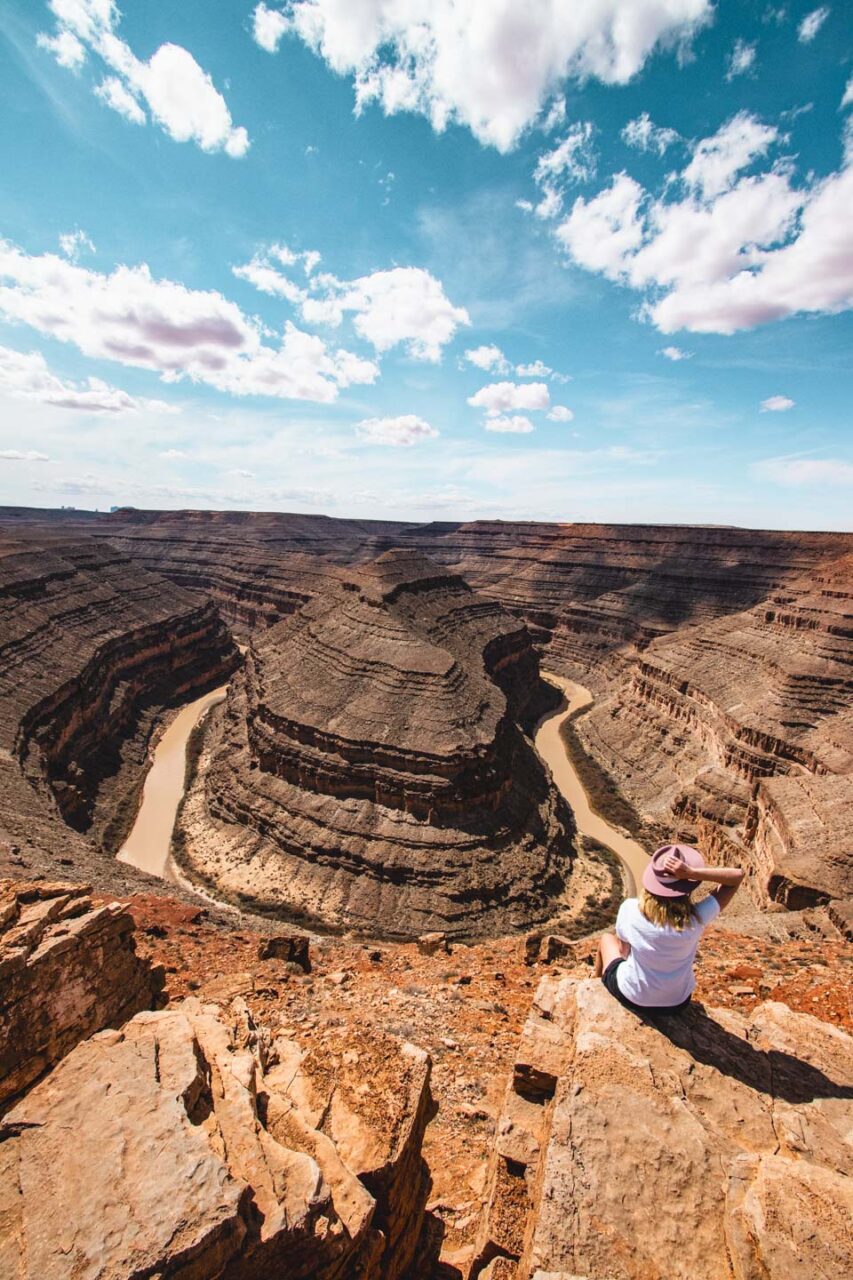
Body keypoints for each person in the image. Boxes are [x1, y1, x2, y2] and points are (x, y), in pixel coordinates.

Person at [594, 843, 744, 1015]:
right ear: (687, 887)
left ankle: (595, 980)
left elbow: (623, 951)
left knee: (606, 939)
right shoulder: (697, 917)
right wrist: (692, 873)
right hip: (677, 1003)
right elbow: (737, 877)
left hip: (634, 997)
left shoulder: (630, 909)